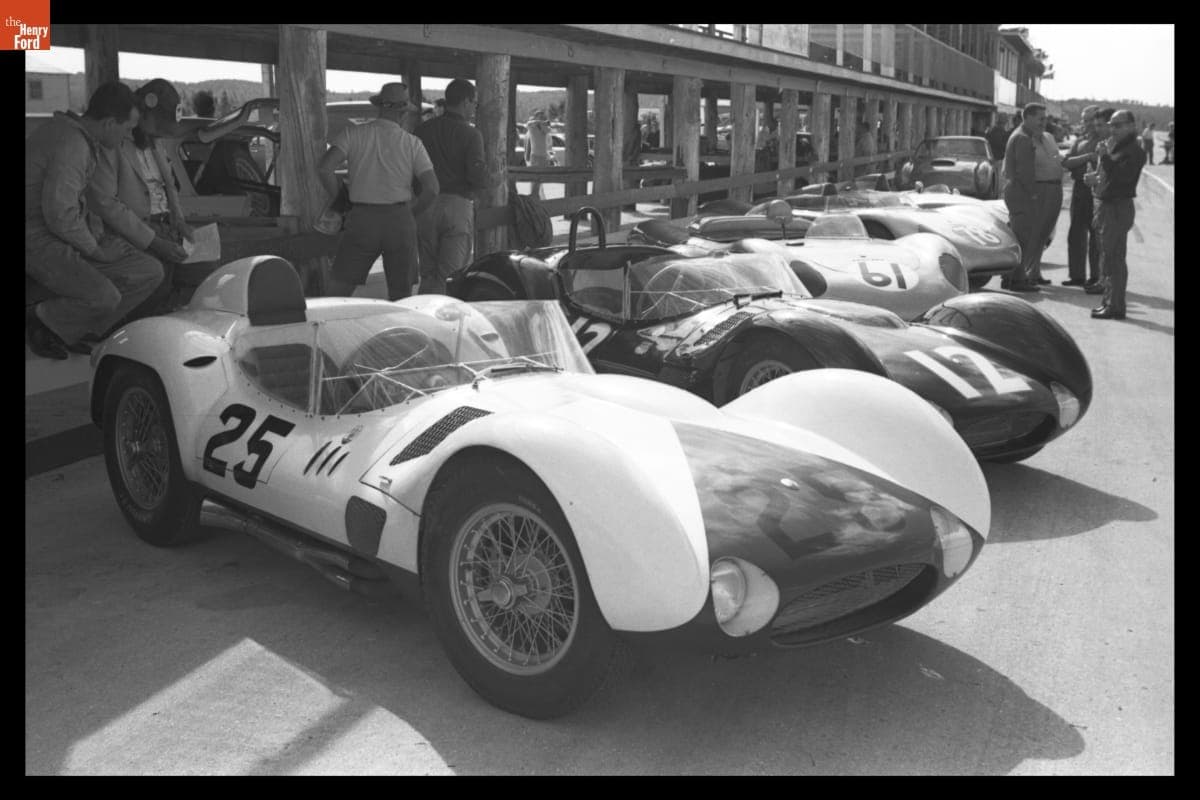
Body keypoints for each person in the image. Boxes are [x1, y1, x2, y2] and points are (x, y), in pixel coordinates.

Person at [25, 81, 164, 360]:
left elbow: (77, 206)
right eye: (126, 129)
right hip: (36, 236)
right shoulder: (72, 144)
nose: (127, 137)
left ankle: (72, 328)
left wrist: (98, 236)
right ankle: (39, 320)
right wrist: (97, 250)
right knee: (105, 297)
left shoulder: (81, 138)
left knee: (149, 270)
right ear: (111, 123)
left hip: (61, 232)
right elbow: (60, 215)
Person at [316, 82, 439, 301]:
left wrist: (341, 198)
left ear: (379, 107)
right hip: (400, 219)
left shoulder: (353, 134)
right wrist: (411, 212)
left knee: (338, 291)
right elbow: (432, 188)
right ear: (403, 113)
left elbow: (325, 169)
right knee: (401, 296)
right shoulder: (412, 143)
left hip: (362, 218)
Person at [88, 78, 191, 317]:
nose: (160, 134)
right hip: (134, 235)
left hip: (165, 229)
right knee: (146, 295)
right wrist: (153, 241)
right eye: (158, 126)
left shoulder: (155, 142)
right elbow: (106, 204)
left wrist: (179, 219)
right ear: (143, 112)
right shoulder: (113, 143)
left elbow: (169, 186)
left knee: (166, 296)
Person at [414, 78, 488, 294]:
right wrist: (490, 175)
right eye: (474, 102)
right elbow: (477, 176)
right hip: (457, 206)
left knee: (427, 272)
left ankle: (423, 316)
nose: (475, 107)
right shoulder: (471, 134)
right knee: (452, 277)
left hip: (425, 206)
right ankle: (445, 324)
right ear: (465, 101)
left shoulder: (422, 130)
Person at [1085, 109, 1147, 320]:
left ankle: (1115, 305)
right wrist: (1097, 177)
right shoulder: (1118, 147)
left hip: (1117, 208)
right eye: (1112, 125)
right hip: (1107, 206)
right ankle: (1110, 302)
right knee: (1108, 258)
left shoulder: (1134, 151)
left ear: (1131, 126)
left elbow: (1122, 178)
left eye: (1118, 125)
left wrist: (1105, 158)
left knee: (1114, 259)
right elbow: (1110, 176)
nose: (1113, 129)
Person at [1001, 103, 1056, 292]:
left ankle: (1010, 277)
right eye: (1040, 118)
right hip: (1021, 192)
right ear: (1028, 117)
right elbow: (1025, 172)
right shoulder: (1024, 139)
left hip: (1015, 191)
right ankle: (1017, 280)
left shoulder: (1019, 134)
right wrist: (1034, 194)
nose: (1044, 122)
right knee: (1023, 238)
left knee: (1018, 235)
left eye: (1045, 118)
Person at [1059, 105, 1103, 288]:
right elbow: (1066, 162)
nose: (1086, 124)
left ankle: (1096, 276)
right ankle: (1076, 275)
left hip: (1096, 191)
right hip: (1079, 189)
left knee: (1096, 236)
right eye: (1084, 120)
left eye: (1090, 119)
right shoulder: (1080, 141)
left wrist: (1090, 158)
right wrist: (1087, 157)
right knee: (1076, 233)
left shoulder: (1105, 141)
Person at [524, 110, 553, 199]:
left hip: (543, 157)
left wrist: (542, 124)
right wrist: (539, 122)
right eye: (539, 116)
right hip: (535, 156)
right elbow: (527, 124)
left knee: (539, 180)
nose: (541, 118)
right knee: (534, 180)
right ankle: (535, 197)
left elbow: (548, 130)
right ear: (536, 117)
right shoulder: (532, 127)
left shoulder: (544, 128)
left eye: (542, 116)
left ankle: (536, 197)